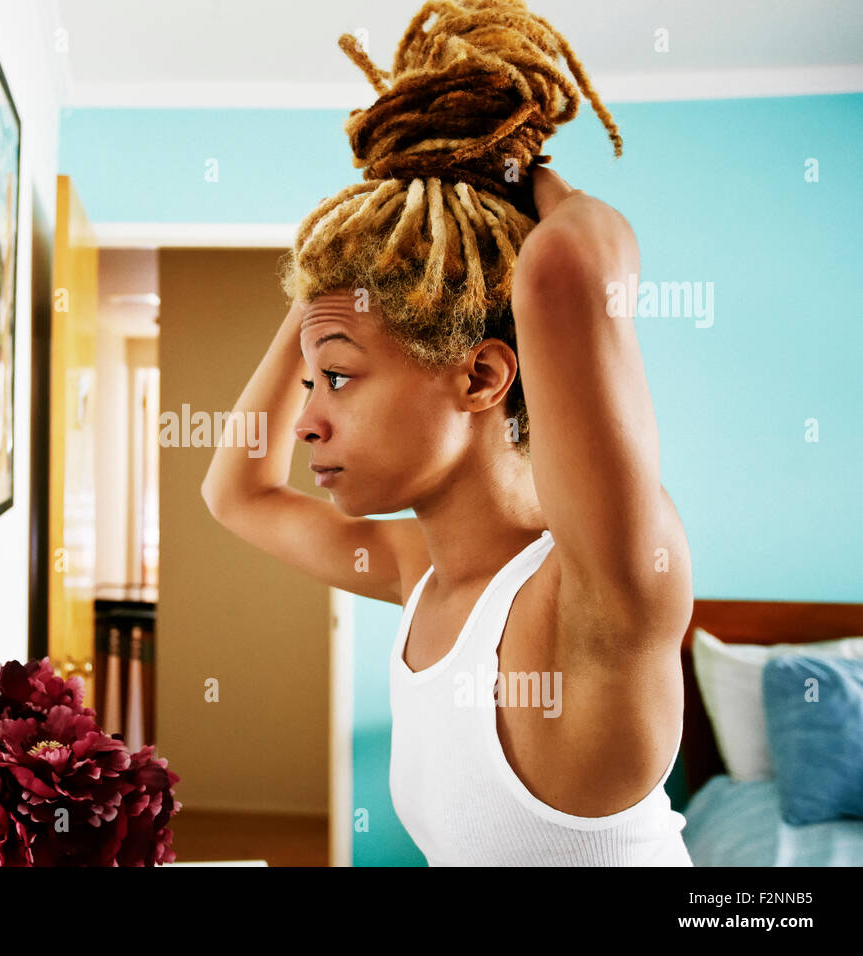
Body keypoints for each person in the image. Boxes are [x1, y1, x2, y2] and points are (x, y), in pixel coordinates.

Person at [200, 0, 694, 865]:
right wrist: (329, 285)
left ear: (480, 376)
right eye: (313, 383)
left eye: (340, 381)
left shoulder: (597, 598)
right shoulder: (419, 577)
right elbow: (234, 491)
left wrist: (522, 171)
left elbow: (571, 267)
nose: (306, 420)